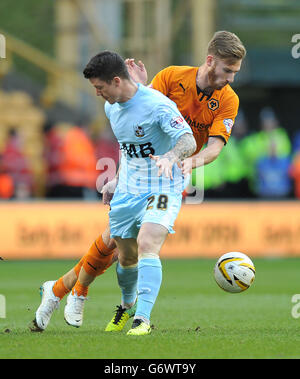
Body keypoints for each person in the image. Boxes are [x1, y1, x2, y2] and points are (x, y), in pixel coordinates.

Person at [31, 30, 246, 332]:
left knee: (131, 245)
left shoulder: (227, 100)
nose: (231, 78)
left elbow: (214, 147)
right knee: (114, 244)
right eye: (228, 70)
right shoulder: (172, 77)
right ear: (210, 61)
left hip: (168, 176)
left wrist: (186, 161)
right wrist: (118, 177)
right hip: (139, 174)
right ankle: (65, 291)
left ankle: (112, 305)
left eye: (235, 72)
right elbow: (137, 114)